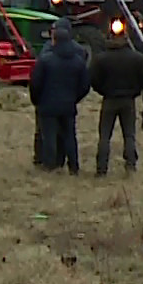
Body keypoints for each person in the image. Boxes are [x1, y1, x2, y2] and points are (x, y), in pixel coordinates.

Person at [29, 20, 90, 175]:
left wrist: (37, 100)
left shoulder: (45, 59)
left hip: (47, 103)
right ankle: (73, 166)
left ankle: (50, 165)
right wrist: (74, 97)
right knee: (70, 135)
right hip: (68, 103)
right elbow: (84, 85)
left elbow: (36, 82)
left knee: (49, 135)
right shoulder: (78, 59)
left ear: (54, 38)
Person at [90, 29, 143, 177]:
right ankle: (130, 165)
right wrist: (135, 92)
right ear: (125, 38)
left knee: (104, 136)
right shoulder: (137, 58)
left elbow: (93, 80)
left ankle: (101, 168)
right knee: (129, 135)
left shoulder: (101, 59)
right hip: (128, 100)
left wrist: (104, 91)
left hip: (109, 99)